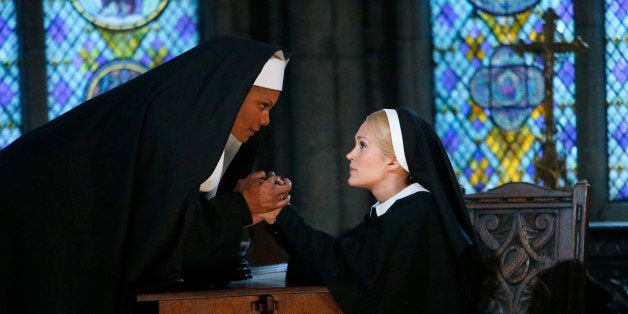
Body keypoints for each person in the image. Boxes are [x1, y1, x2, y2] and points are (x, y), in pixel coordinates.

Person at [1, 35, 292, 313]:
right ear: (230, 94)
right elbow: (161, 248)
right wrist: (242, 206)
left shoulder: (197, 133)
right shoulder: (170, 132)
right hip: (36, 225)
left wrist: (245, 206)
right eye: (262, 106)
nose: (265, 120)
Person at [257, 107, 486, 313]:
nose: (350, 154)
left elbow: (345, 269)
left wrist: (280, 215)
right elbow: (341, 259)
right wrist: (278, 215)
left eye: (362, 145)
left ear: (393, 161)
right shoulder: (396, 212)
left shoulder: (416, 213)